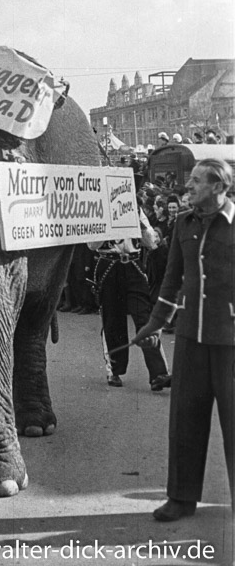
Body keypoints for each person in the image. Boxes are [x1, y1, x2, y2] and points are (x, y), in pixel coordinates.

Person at [133, 158, 234, 522]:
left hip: (230, 341)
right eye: (188, 181)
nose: (187, 187)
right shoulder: (182, 224)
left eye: (195, 182)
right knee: (185, 420)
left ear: (218, 187)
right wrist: (154, 324)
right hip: (192, 337)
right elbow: (171, 280)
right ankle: (181, 498)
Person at [88, 208, 171, 391]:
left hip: (133, 264)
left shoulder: (136, 208)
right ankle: (114, 369)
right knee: (112, 319)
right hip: (109, 263)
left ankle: (158, 373)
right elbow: (92, 244)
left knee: (144, 318)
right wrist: (109, 223)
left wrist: (139, 224)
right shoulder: (99, 207)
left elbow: (151, 243)